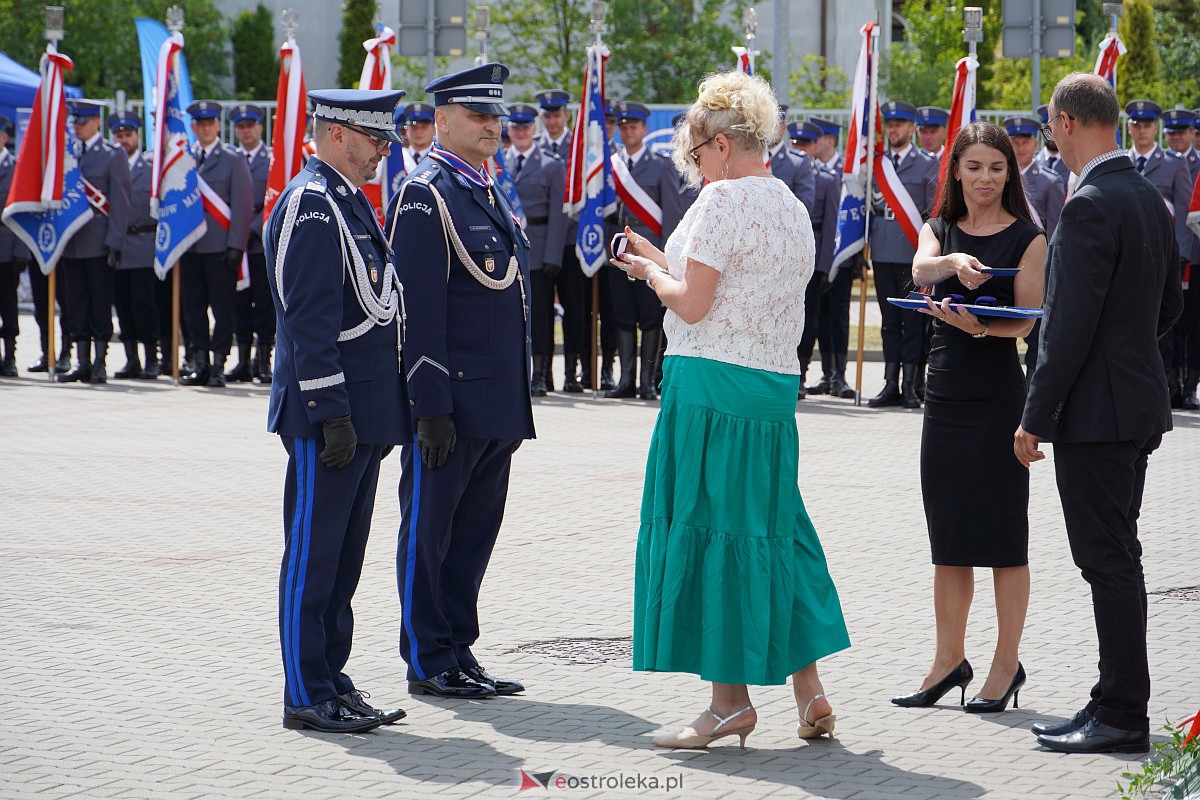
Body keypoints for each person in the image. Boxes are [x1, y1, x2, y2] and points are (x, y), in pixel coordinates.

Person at [615, 70, 849, 749]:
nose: (694, 166)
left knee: (713, 531)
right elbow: (724, 289)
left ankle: (728, 704)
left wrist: (651, 275)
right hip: (771, 391)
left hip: (710, 388)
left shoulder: (721, 203)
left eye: (695, 152)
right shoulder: (788, 203)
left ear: (721, 144)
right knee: (771, 533)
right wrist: (658, 262)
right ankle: (809, 690)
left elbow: (690, 302)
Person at [1016, 73, 1182, 755]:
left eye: (1051, 125)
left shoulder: (1088, 204)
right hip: (1133, 405)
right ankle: (1113, 699)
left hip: (1097, 415)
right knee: (1117, 557)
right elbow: (1168, 310)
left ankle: (1121, 714)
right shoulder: (1144, 196)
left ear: (1064, 122)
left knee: (1108, 561)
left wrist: (1035, 416)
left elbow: (1067, 328)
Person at [385, 63, 533, 700]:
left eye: (495, 115)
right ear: (440, 121)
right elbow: (417, 310)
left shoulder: (486, 190)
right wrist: (430, 404)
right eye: (478, 115)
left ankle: (458, 647)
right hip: (452, 403)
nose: (492, 126)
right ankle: (427, 655)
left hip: (496, 399)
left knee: (473, 532)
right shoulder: (427, 193)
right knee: (430, 531)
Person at [265, 87, 410, 734]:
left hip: (363, 413)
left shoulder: (348, 204)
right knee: (313, 558)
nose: (384, 152)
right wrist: (330, 410)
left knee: (343, 561)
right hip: (329, 415)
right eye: (376, 139)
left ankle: (331, 678)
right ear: (337, 135)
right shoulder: (315, 206)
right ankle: (304, 691)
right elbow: (309, 320)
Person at [890, 122, 1046, 714]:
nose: (985, 178)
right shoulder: (939, 230)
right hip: (945, 399)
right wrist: (953, 259)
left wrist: (979, 325)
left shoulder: (1029, 238)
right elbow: (920, 271)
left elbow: (1026, 321)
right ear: (955, 171)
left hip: (999, 399)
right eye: (974, 167)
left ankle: (1006, 665)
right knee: (949, 541)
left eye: (997, 168)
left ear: (1011, 173)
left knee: (1005, 540)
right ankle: (947, 661)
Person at [868, 100, 940, 409]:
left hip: (911, 251)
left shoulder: (926, 164)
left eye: (900, 124)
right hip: (882, 249)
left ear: (912, 129)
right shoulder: (877, 162)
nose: (894, 129)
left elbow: (931, 213)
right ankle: (889, 384)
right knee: (888, 322)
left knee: (912, 322)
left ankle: (910, 385)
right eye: (890, 124)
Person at [605, 100, 676, 400]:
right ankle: (625, 380)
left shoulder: (661, 165)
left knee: (649, 316)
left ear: (644, 129)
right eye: (623, 126)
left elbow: (670, 212)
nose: (628, 130)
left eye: (633, 125)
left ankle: (647, 380)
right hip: (619, 247)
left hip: (649, 248)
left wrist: (666, 255)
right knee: (622, 315)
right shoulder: (610, 164)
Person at [179, 100, 253, 388]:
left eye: (211, 122)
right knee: (193, 308)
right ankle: (199, 361)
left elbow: (243, 206)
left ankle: (219, 363)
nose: (206, 127)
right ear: (194, 127)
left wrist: (236, 245)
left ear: (218, 126)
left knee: (223, 309)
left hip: (220, 248)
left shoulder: (233, 159)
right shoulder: (184, 159)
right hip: (190, 246)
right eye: (201, 123)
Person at [58, 100, 132, 385]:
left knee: (100, 304)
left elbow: (121, 202)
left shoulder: (112, 155)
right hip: (72, 242)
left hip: (99, 243)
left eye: (84, 122)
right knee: (76, 305)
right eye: (76, 122)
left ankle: (100, 362)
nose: (79, 127)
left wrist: (115, 242)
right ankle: (82, 362)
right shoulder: (68, 154)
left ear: (97, 122)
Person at [1124, 100, 1192, 408]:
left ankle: (1163, 389)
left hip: (1163, 257)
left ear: (1156, 128)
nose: (1141, 130)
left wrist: (1180, 258)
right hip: (1126, 257)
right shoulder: (1121, 160)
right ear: (1129, 128)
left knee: (1163, 326)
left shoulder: (1173, 163)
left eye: (1147, 125)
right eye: (1136, 125)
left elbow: (1183, 212)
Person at [505, 102, 567, 396]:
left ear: (534, 129)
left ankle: (540, 374)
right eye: (515, 127)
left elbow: (558, 215)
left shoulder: (552, 165)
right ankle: (515, 372)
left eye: (526, 127)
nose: (520, 132)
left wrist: (553, 255)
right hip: (505, 252)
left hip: (539, 250)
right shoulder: (496, 164)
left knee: (540, 316)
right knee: (511, 316)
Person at [108, 112, 160, 380]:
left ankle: (152, 358)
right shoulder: (109, 165)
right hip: (117, 246)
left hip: (144, 245)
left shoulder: (151, 167)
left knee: (144, 304)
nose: (123, 140)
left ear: (138, 136)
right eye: (118, 135)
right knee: (123, 306)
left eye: (128, 135)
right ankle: (132, 360)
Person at [226, 103, 275, 384]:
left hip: (259, 242)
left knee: (264, 304)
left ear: (260, 127)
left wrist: (253, 228)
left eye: (250, 126)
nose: (246, 131)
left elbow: (275, 195)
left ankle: (263, 360)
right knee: (238, 303)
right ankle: (243, 359)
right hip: (234, 242)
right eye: (241, 127)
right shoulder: (230, 158)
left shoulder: (271, 160)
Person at [793, 122, 841, 399]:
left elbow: (831, 224)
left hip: (812, 252)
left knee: (808, 319)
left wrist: (824, 266)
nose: (800, 149)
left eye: (806, 144)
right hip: (787, 255)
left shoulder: (825, 178)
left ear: (814, 146)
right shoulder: (782, 172)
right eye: (796, 143)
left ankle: (801, 372)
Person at [1163, 109, 1200, 410]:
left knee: (1192, 323)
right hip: (1169, 257)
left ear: (1191, 133)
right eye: (1171, 132)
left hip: (1194, 257)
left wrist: (1184, 254)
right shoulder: (1164, 163)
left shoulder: (1196, 164)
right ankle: (1172, 383)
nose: (1176, 137)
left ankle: (1189, 386)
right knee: (1170, 322)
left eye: (1182, 131)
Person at [0, 114, 21, 377]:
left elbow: (20, 214)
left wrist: (20, 251)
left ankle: (11, 355)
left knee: (8, 305)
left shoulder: (16, 168)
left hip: (7, 245)